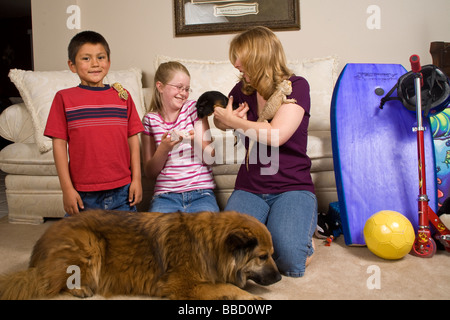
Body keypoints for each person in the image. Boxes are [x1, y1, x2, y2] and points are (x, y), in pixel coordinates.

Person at [213, 26, 317, 277]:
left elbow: (277, 135)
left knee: (289, 262)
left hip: (292, 186)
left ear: (260, 58)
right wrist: (225, 120)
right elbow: (221, 121)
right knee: (227, 254)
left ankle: (303, 237)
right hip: (251, 186)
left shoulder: (296, 86)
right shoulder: (242, 90)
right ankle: (275, 226)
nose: (236, 64)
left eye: (241, 58)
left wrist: (237, 122)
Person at [44, 31, 144, 215]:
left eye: (100, 57)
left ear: (109, 62)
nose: (95, 64)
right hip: (83, 195)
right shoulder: (64, 98)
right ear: (72, 65)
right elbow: (59, 145)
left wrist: (136, 179)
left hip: (122, 191)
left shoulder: (122, 96)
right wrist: (67, 189)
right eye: (86, 58)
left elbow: (133, 140)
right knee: (79, 243)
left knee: (127, 242)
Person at [141, 61, 219, 213]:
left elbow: (210, 157)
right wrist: (163, 149)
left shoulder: (194, 110)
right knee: (157, 234)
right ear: (160, 86)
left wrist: (192, 141)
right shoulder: (150, 120)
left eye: (187, 89)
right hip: (166, 196)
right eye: (178, 87)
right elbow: (150, 173)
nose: (183, 93)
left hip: (201, 192)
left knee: (209, 232)